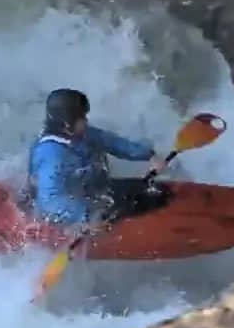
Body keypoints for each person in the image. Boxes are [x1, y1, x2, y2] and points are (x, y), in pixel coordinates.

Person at [26, 88, 170, 227]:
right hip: (70, 210)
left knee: (155, 192)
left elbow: (112, 142)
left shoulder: (80, 133)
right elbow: (50, 200)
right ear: (67, 124)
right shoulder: (50, 155)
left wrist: (149, 155)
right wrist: (86, 216)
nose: (86, 121)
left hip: (96, 191)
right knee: (131, 206)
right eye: (82, 118)